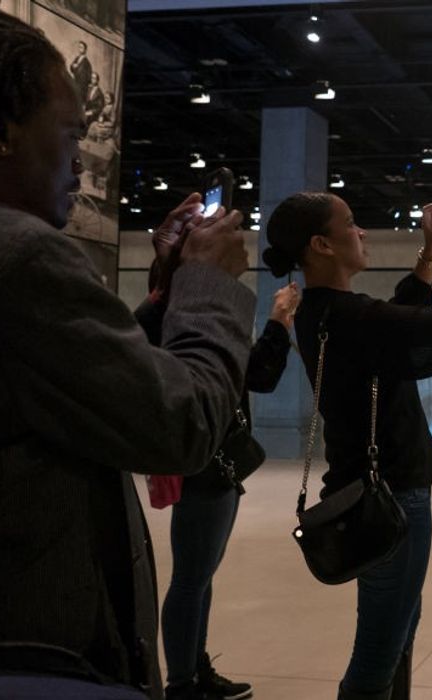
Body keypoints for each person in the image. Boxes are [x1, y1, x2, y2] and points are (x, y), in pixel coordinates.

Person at [0, 9, 253, 699]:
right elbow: (177, 424)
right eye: (71, 133)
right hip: (36, 656)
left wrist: (163, 297)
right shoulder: (18, 254)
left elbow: (60, 381)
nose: (81, 158)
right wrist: (207, 287)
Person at [263, 192, 432, 700]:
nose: (361, 232)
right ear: (322, 243)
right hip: (394, 499)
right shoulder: (347, 315)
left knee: (396, 636)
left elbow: (393, 333)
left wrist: (430, 253)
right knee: (377, 657)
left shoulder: (321, 312)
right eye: (351, 222)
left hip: (370, 493)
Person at [136, 195, 298, 700]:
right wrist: (276, 324)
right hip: (204, 463)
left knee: (199, 577)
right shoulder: (172, 312)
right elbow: (252, 376)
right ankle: (183, 682)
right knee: (191, 578)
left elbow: (246, 377)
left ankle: (194, 670)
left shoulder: (172, 309)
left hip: (214, 461)